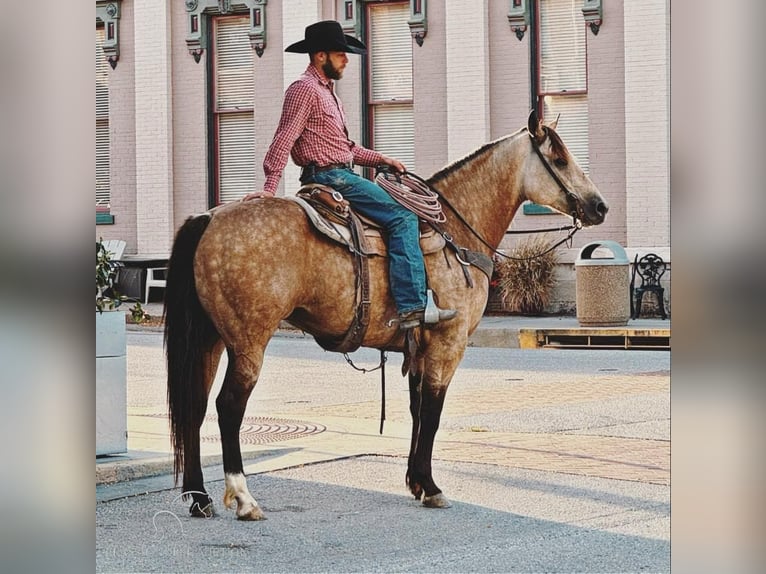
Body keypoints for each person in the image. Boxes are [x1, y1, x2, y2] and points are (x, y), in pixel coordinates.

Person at [242, 20, 456, 330]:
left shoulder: (329, 94)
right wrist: (269, 187)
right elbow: (284, 137)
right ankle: (412, 306)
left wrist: (382, 159)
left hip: (341, 171)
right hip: (331, 178)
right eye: (340, 53)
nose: (345, 59)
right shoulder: (304, 90)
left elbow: (345, 147)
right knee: (403, 217)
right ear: (320, 56)